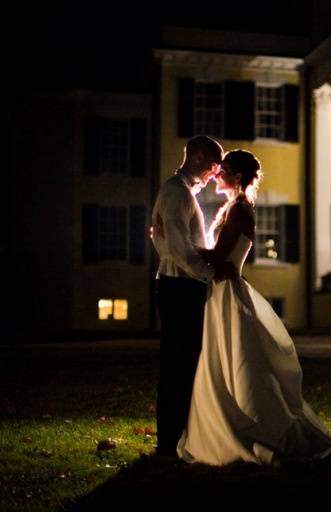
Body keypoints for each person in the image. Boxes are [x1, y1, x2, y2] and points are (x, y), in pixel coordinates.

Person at [177, 150, 331, 466]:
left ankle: (263, 427)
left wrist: (174, 245)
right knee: (229, 361)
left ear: (238, 178)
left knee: (243, 363)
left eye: (223, 170)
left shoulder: (241, 210)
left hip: (229, 290)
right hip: (222, 291)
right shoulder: (234, 207)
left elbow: (219, 257)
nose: (216, 175)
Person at [150, 135, 235, 456]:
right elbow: (179, 249)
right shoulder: (176, 192)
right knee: (178, 365)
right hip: (179, 288)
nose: (216, 174)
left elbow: (168, 242)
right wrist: (211, 275)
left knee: (184, 363)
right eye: (214, 165)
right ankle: (169, 442)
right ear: (197, 157)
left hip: (181, 285)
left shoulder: (182, 192)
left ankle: (177, 437)